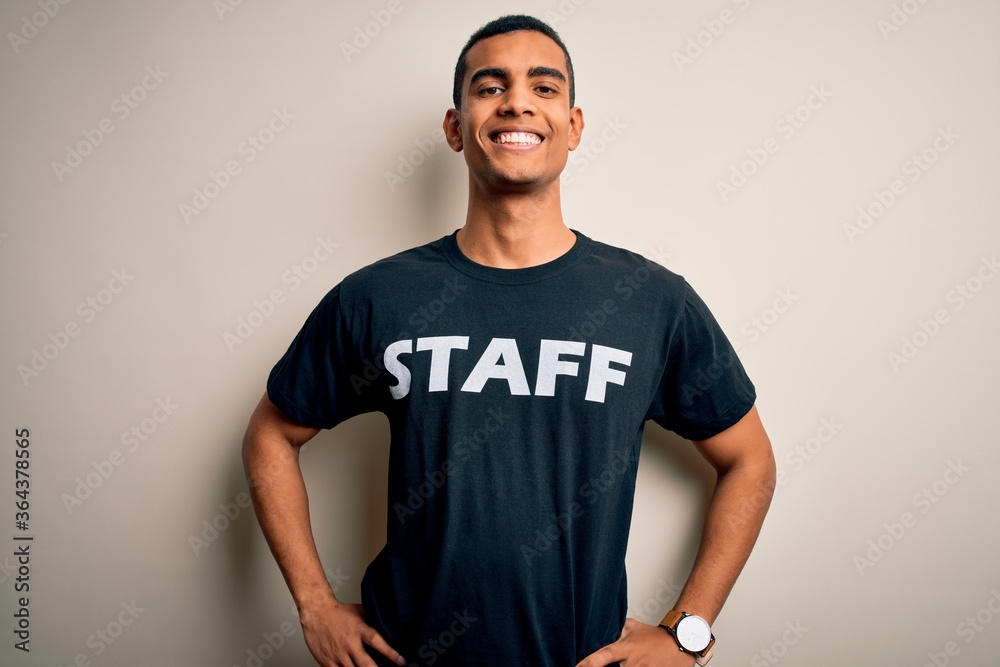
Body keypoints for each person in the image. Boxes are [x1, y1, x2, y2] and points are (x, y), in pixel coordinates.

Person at [242, 14, 776, 667]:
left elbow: (750, 459)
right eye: (490, 86)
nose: (517, 101)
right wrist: (315, 604)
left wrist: (687, 632)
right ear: (455, 126)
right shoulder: (378, 297)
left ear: (573, 127)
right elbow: (271, 432)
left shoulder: (650, 301)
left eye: (544, 88)